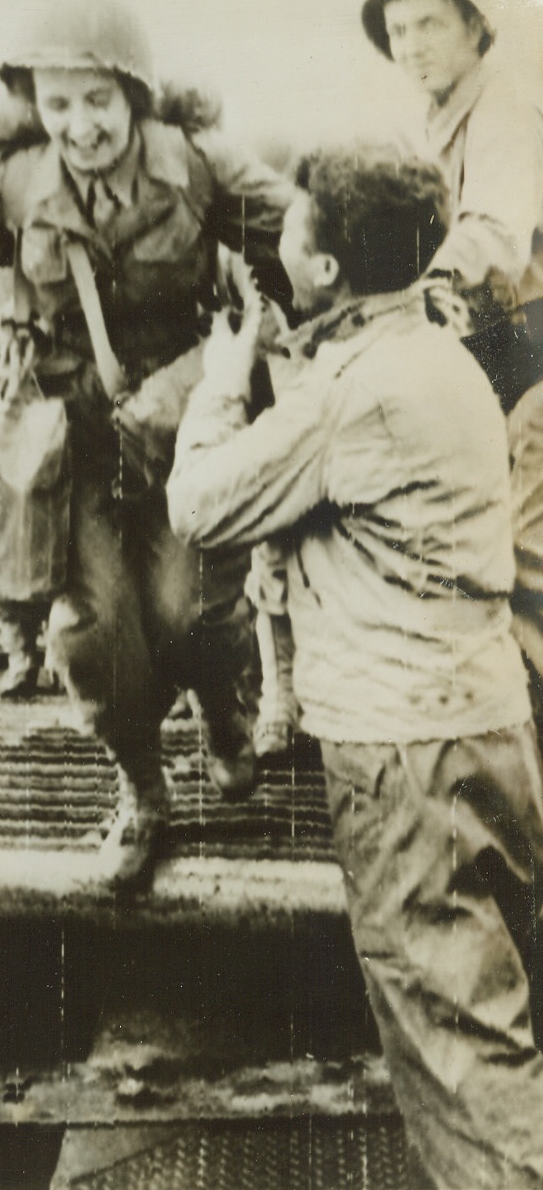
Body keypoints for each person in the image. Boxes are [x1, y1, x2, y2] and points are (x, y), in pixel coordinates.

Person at [167, 145, 543, 1187]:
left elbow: (198, 506)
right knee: (501, 1017)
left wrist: (221, 384)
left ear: (326, 266)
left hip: (401, 758)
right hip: (487, 724)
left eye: (292, 229)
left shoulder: (354, 391)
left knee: (463, 1057)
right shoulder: (438, 354)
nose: (278, 243)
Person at [0, 0, 294, 890]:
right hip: (75, 442)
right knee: (92, 632)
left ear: (134, 96)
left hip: (183, 428)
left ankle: (223, 708)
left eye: (98, 100)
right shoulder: (15, 181)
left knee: (191, 611)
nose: (81, 125)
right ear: (34, 107)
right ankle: (142, 791)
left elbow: (294, 239)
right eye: (57, 103)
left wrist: (223, 363)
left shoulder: (196, 166)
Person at [361, 0, 543, 705]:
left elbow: (496, 226)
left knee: (523, 536)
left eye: (430, 24)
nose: (412, 45)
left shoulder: (504, 104)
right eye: (398, 30)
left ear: (474, 25)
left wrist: (430, 287)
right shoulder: (424, 119)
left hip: (528, 332)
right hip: (485, 335)